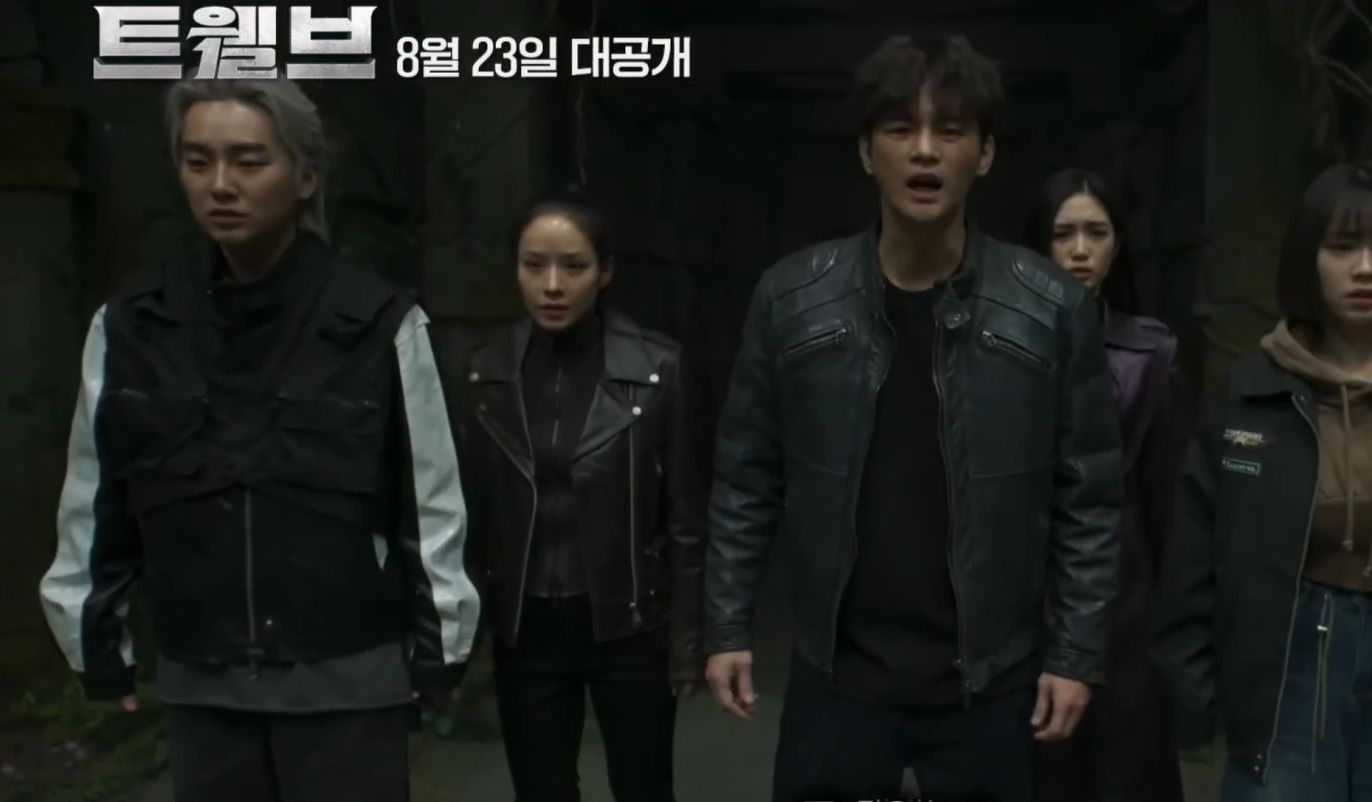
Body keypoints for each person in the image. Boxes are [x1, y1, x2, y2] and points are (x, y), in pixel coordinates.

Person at [703, 34, 1124, 802]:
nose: (925, 151)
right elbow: (745, 476)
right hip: (840, 678)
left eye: (951, 130)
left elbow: (1089, 499)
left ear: (985, 154)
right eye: (901, 129)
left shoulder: (1050, 308)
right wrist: (727, 625)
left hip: (991, 680)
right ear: (867, 152)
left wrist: (1075, 653)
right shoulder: (792, 298)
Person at [37, 78, 480, 802]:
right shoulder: (132, 328)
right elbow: (94, 499)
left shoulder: (379, 324)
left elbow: (431, 505)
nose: (220, 185)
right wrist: (96, 646)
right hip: (202, 685)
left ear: (306, 176)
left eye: (248, 161)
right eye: (197, 161)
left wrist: (439, 658)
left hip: (346, 683)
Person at [453, 190, 705, 802]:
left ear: (605, 271)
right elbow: (466, 507)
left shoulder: (657, 369)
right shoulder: (485, 372)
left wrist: (689, 644)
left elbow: (688, 517)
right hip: (528, 630)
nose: (552, 285)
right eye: (533, 265)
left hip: (631, 624)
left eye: (573, 266)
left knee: (644, 788)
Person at [1153, 161, 1372, 802]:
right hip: (1288, 665)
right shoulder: (1253, 390)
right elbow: (1193, 554)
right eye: (1343, 246)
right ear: (1309, 258)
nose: (1364, 268)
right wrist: (1198, 697)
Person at [1026, 168, 1187, 802]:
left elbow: (1167, 504)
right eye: (1063, 233)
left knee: (1122, 773)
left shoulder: (1150, 354)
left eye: (1096, 233)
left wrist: (1173, 633)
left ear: (1117, 243)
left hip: (1125, 604)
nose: (1080, 250)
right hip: (1018, 598)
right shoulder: (997, 345)